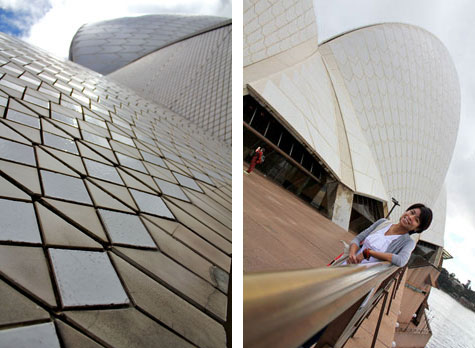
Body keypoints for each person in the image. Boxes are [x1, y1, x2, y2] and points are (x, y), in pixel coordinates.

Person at [345, 203, 433, 267]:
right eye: (412, 212)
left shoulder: (408, 243)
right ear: (406, 211)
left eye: (416, 220)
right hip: (347, 264)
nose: (410, 217)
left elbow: (401, 260)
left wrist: (368, 253)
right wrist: (352, 254)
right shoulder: (382, 222)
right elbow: (358, 238)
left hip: (362, 278)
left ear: (417, 229)